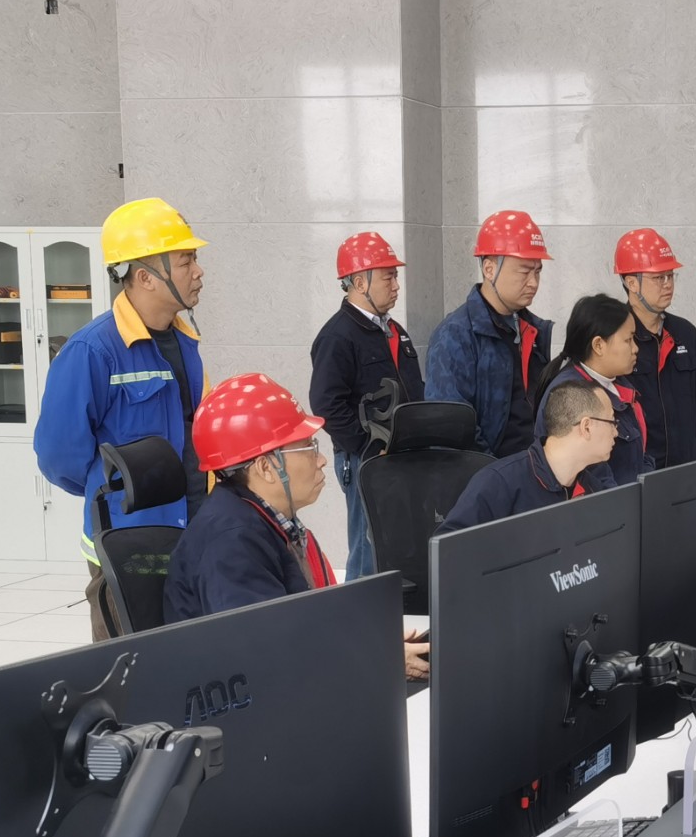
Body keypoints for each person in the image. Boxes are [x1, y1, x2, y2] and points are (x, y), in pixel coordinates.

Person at [164, 373, 429, 680]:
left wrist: (372, 642)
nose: (321, 460)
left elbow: (305, 625)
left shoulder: (266, 521)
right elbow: (265, 658)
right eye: (308, 447)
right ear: (266, 467)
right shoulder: (229, 543)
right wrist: (376, 658)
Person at [35, 196, 210, 642]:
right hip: (127, 546)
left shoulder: (185, 341)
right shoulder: (92, 351)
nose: (198, 272)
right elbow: (59, 456)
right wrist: (115, 492)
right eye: (186, 261)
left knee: (189, 658)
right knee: (129, 662)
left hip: (190, 531)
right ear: (145, 276)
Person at [309, 231, 424, 580]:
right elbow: (327, 405)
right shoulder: (338, 336)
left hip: (402, 455)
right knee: (368, 545)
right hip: (365, 459)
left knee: (398, 543)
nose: (396, 286)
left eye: (395, 276)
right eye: (388, 277)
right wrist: (368, 447)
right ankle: (359, 607)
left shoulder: (394, 331)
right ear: (359, 282)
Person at [425, 209, 553, 456]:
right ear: (489, 269)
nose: (533, 282)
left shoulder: (532, 330)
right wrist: (496, 474)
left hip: (534, 468)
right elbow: (451, 428)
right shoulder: (455, 336)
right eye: (524, 271)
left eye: (537, 271)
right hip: (490, 473)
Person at [437, 383, 616, 531]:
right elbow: (448, 549)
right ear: (586, 427)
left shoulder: (591, 488)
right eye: (612, 422)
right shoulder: (498, 483)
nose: (616, 432)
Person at [533, 293, 650, 486]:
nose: (635, 348)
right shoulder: (571, 395)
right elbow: (593, 479)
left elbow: (640, 456)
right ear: (598, 345)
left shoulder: (618, 384)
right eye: (628, 340)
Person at [616, 228, 696, 467]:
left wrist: (686, 452)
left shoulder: (686, 333)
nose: (668, 285)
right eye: (658, 278)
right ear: (631, 283)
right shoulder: (614, 338)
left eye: (670, 276)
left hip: (684, 470)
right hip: (637, 472)